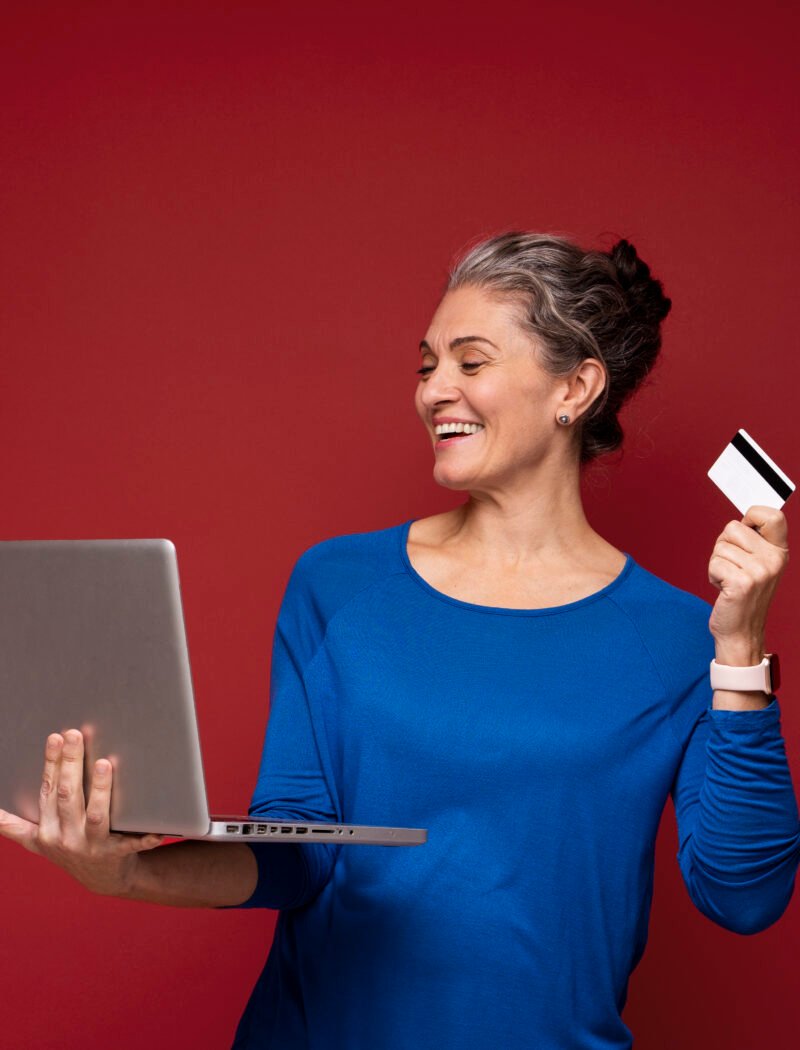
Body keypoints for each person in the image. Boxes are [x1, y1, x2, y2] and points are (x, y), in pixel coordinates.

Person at [1, 230, 798, 1049]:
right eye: (426, 365)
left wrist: (738, 652)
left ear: (577, 386)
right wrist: (125, 869)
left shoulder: (675, 640)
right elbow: (297, 853)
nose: (432, 391)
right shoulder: (338, 586)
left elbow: (743, 895)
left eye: (470, 361)